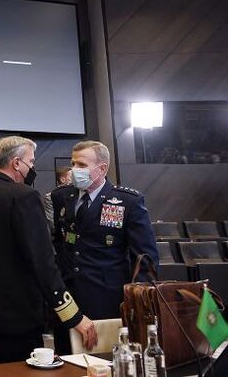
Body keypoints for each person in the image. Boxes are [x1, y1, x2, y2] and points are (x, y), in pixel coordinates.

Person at [0, 136, 96, 365]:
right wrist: (72, 316)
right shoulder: (25, 197)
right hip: (17, 319)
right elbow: (43, 263)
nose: (32, 167)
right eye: (30, 162)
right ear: (16, 163)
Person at [51, 140, 158, 353]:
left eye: (82, 165)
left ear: (102, 169)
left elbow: (145, 258)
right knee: (66, 358)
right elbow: (61, 243)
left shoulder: (127, 201)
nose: (74, 170)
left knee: (106, 359)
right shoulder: (61, 196)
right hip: (69, 297)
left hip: (108, 299)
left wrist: (137, 303)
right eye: (73, 164)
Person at [44, 166, 72, 231]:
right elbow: (51, 221)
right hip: (59, 232)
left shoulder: (76, 193)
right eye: (72, 177)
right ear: (62, 179)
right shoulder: (50, 197)